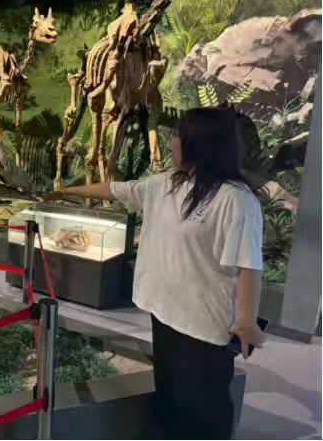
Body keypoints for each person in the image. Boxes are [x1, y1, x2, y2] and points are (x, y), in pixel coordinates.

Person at [51, 107, 266, 439]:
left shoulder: (236, 200)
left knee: (203, 411)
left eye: (176, 135)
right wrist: (66, 191)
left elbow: (248, 265)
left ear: (201, 142)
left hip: (203, 327)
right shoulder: (166, 183)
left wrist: (246, 321)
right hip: (164, 313)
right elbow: (118, 189)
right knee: (169, 399)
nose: (169, 143)